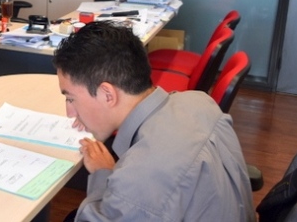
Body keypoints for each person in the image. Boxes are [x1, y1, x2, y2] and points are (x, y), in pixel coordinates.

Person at [52, 21, 255, 221]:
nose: (69, 112)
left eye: (70, 98)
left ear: (107, 94)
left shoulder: (137, 181)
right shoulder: (200, 102)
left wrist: (103, 176)